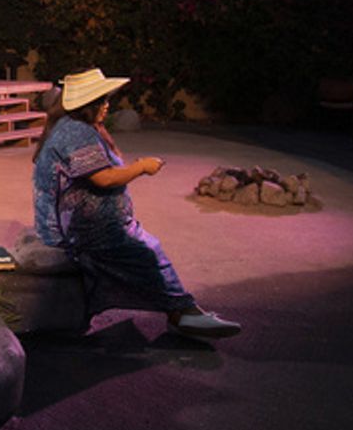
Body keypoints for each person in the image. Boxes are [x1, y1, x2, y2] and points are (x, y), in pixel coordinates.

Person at [31, 68, 241, 339]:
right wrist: (142, 167)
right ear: (87, 105)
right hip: (82, 230)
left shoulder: (77, 128)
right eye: (102, 101)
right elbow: (103, 178)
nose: (107, 106)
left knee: (145, 247)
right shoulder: (75, 133)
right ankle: (182, 312)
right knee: (147, 252)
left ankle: (183, 310)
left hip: (90, 221)